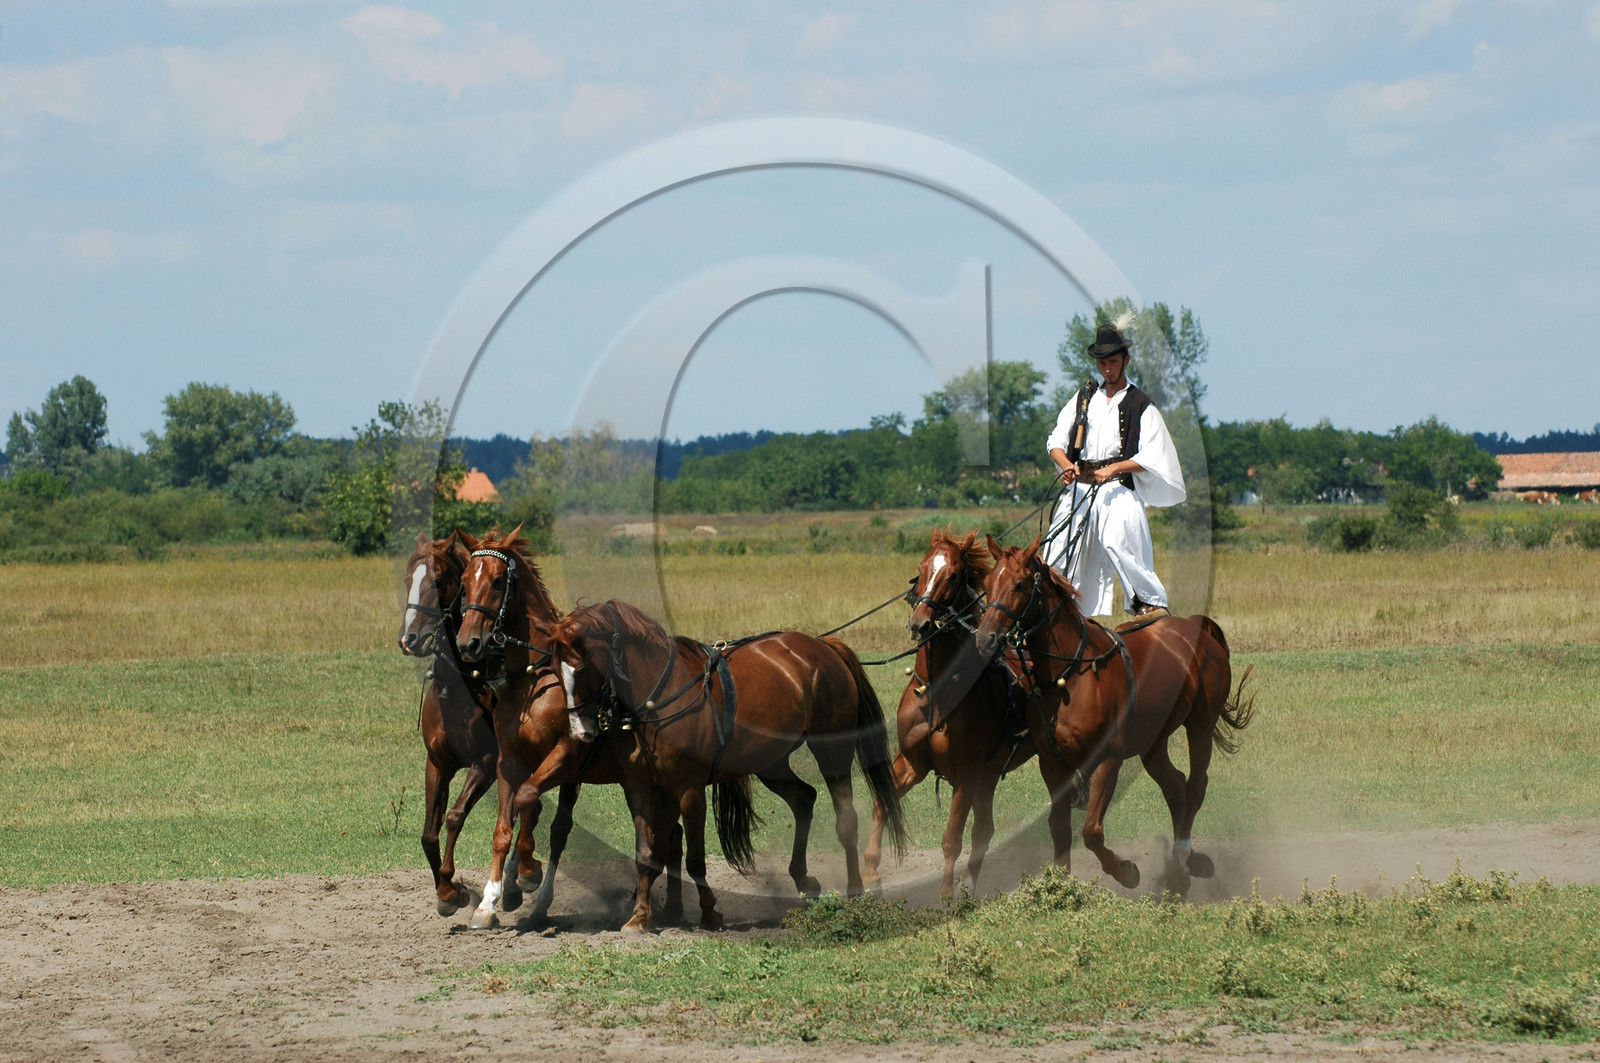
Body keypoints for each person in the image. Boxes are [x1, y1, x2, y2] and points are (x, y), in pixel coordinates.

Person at [1043, 314, 1186, 617]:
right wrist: (1066, 464)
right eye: (1102, 363)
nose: (1107, 369)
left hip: (1117, 490)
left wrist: (1116, 468)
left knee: (1118, 543)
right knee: (1056, 551)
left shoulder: (1140, 403)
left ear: (1126, 360)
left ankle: (1150, 605)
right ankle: (1056, 615)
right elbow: (1055, 441)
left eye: (1113, 362)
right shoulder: (1084, 398)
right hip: (1079, 489)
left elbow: (1153, 455)